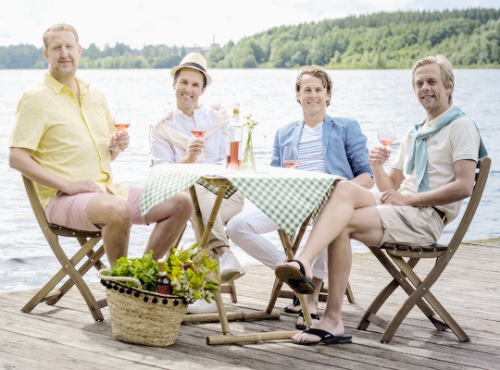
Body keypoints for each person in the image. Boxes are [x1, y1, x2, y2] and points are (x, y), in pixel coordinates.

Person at [276, 55, 487, 345]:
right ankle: (306, 265)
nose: (424, 88)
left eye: (431, 82)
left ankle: (329, 311)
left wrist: (410, 200)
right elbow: (392, 188)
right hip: (401, 209)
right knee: (341, 187)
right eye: (419, 83)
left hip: (426, 217)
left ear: (448, 86)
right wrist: (377, 168)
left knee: (342, 221)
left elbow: (464, 186)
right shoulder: (415, 132)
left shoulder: (461, 126)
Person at [8, 23, 192, 266]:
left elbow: (108, 152)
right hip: (61, 198)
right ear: (46, 54)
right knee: (117, 209)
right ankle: (121, 284)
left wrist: (116, 145)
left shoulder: (95, 95)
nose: (64, 53)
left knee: (181, 202)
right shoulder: (36, 98)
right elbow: (16, 158)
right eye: (57, 48)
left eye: (69, 47)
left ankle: (142, 272)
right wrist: (68, 185)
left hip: (106, 191)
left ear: (79, 51)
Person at [226, 65, 374, 329]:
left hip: (332, 200)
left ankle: (312, 299)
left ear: (328, 95)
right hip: (290, 200)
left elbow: (367, 176)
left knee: (329, 218)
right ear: (297, 95)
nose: (313, 95)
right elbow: (275, 174)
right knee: (237, 226)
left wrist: (343, 193)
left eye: (319, 89)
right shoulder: (284, 133)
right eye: (307, 90)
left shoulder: (346, 127)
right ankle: (293, 272)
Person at [150, 53, 245, 313]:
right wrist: (188, 160)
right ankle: (223, 255)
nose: (188, 90)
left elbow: (233, 164)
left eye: (195, 85)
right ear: (174, 85)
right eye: (184, 83)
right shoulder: (162, 125)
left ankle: (199, 288)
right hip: (183, 197)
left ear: (202, 90)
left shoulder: (217, 119)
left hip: (227, 195)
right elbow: (161, 174)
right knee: (192, 191)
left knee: (196, 199)